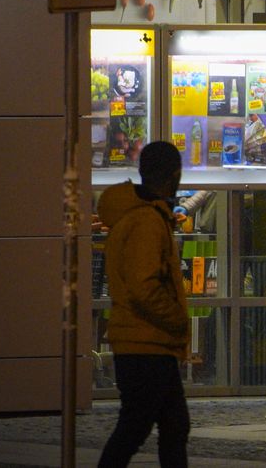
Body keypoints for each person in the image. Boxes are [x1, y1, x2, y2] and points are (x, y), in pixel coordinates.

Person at [97, 141, 191, 468]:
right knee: (137, 426)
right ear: (173, 176)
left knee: (173, 425)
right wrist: (177, 320)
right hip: (146, 343)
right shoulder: (147, 221)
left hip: (147, 343)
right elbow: (144, 285)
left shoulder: (146, 217)